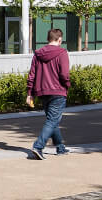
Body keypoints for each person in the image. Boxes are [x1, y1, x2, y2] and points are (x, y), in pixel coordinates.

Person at [26, 27, 72, 159]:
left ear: (48, 39)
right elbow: (64, 74)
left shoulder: (38, 54)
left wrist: (30, 93)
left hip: (42, 91)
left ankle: (60, 147)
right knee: (52, 120)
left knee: (52, 120)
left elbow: (32, 75)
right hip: (58, 91)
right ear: (60, 39)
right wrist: (67, 85)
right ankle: (38, 146)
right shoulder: (62, 53)